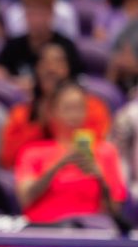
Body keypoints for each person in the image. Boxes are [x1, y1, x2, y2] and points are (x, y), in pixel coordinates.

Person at [16, 81, 126, 225]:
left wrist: (101, 179)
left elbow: (115, 209)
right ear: (51, 112)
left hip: (90, 230)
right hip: (43, 230)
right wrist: (58, 166)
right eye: (68, 109)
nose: (74, 116)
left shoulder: (105, 151)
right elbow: (25, 199)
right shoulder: (32, 152)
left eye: (79, 108)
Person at [1, 42, 111, 169]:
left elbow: (98, 150)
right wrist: (39, 126)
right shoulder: (21, 114)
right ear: (36, 69)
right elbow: (8, 160)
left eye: (58, 62)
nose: (51, 69)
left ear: (69, 69)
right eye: (44, 62)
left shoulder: (93, 107)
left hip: (80, 173)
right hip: (35, 179)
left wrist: (67, 122)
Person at [0, 0, 83, 86]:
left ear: (51, 12)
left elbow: (77, 82)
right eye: (31, 12)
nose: (36, 19)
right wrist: (12, 82)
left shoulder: (66, 47)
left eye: (41, 12)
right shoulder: (13, 46)